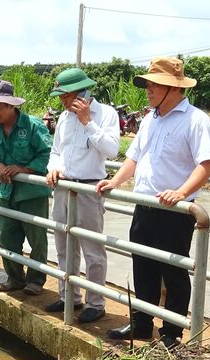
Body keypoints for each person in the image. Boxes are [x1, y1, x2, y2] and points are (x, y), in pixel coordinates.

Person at [97, 57, 210, 348]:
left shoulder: (196, 120)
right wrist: (116, 181)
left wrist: (180, 192)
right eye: (148, 85)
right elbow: (134, 158)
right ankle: (141, 324)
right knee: (143, 266)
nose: (148, 91)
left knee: (173, 271)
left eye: (155, 85)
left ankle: (171, 334)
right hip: (145, 205)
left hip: (174, 210)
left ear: (174, 89)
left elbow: (206, 164)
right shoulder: (150, 118)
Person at [44, 68, 120, 324]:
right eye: (61, 97)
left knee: (92, 250)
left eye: (66, 96)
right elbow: (56, 151)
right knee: (64, 245)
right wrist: (52, 168)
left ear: (82, 92)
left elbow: (111, 150)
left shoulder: (106, 114)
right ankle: (69, 296)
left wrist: (88, 122)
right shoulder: (64, 119)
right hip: (64, 187)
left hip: (89, 188)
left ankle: (96, 303)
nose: (63, 101)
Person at [0, 80, 52, 295]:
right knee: (6, 236)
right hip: (8, 193)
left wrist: (24, 169)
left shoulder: (33, 125)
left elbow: (47, 154)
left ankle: (36, 280)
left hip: (32, 194)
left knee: (36, 238)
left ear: (11, 106)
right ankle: (15, 277)